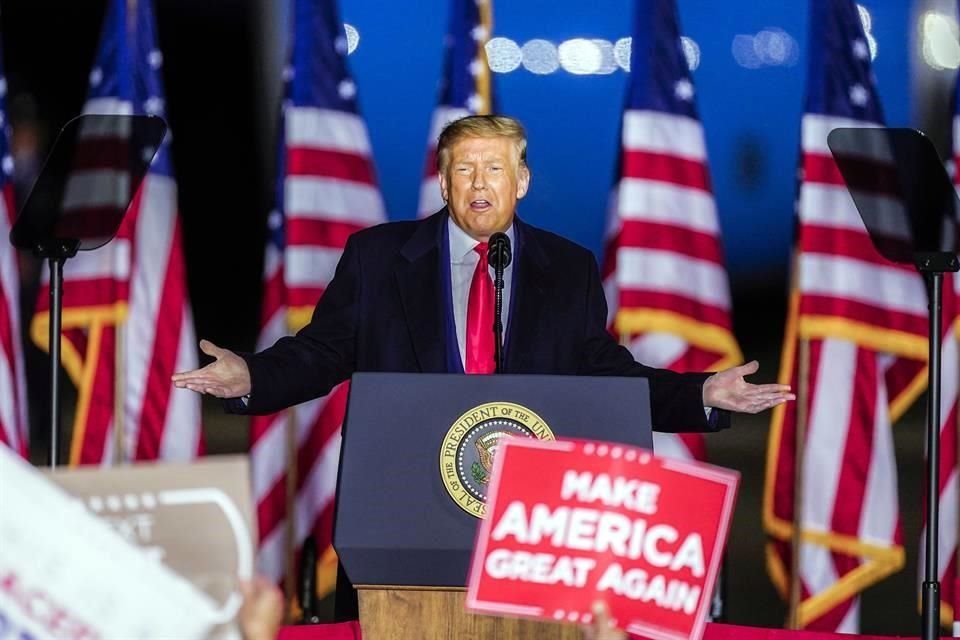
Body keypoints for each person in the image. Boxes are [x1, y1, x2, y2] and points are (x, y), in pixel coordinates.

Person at [173, 115, 792, 431]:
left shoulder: (568, 269)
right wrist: (251, 375)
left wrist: (701, 394)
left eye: (495, 170)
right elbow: (322, 353)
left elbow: (606, 375)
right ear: (441, 182)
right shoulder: (379, 258)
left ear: (521, 182)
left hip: (528, 502)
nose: (479, 185)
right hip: (401, 492)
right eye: (464, 170)